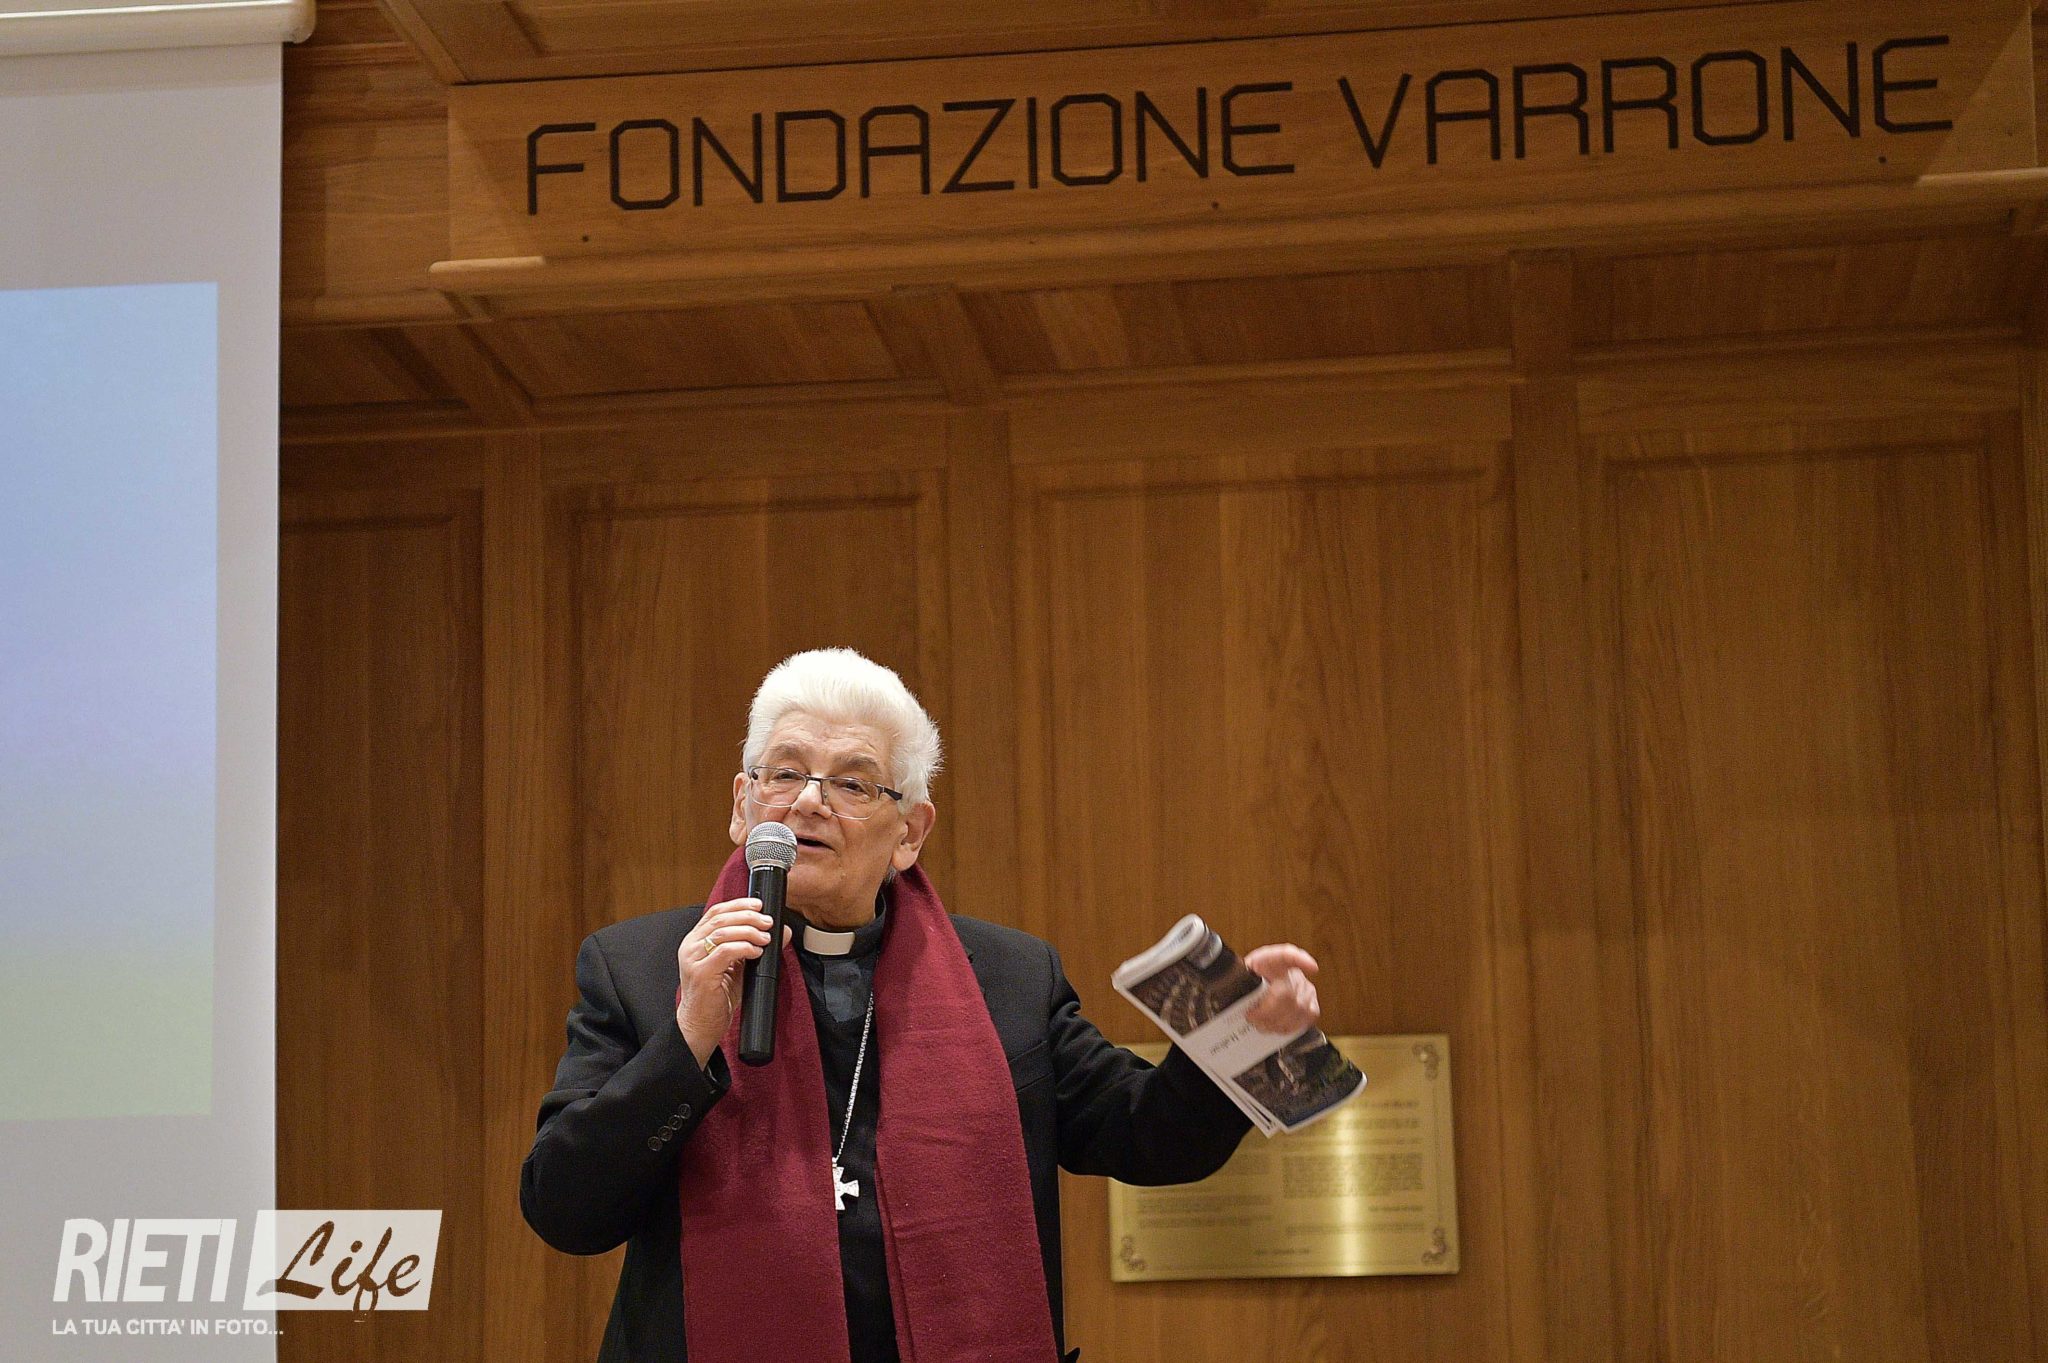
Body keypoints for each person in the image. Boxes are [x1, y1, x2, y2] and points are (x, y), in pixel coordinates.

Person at [520, 648, 1323, 1363]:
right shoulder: (640, 968)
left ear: (910, 831)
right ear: (742, 803)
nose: (808, 801)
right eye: (785, 772)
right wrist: (687, 1039)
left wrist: (1238, 1036)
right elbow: (566, 1209)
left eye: (851, 781)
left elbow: (1148, 1136)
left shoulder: (1009, 978)